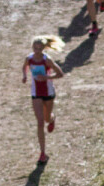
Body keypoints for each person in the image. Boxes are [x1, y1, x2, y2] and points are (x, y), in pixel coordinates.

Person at [22, 37, 64, 165]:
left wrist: (46, 77)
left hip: (48, 92)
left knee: (46, 119)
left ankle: (52, 119)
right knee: (40, 122)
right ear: (32, 47)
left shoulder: (47, 60)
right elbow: (24, 67)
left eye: (40, 49)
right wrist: (24, 76)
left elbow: (60, 74)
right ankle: (42, 153)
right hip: (36, 93)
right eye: (35, 48)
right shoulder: (29, 58)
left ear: (44, 49)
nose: (37, 51)